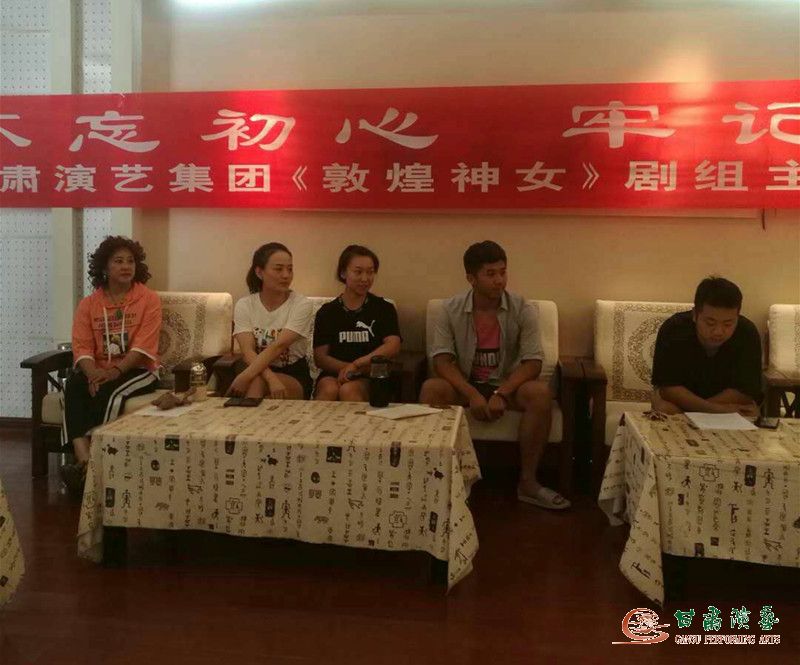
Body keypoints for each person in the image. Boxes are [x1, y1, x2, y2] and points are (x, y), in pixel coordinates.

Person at [419, 241, 569, 510]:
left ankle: (528, 483)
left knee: (540, 393)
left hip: (507, 384)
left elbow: (533, 362)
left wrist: (502, 392)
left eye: (503, 272)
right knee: (432, 388)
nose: (499, 280)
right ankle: (439, 479)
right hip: (466, 384)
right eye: (490, 274)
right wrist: (472, 394)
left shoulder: (522, 308)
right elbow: (441, 361)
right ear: (471, 278)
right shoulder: (450, 309)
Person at [61, 236, 162, 493]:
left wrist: (114, 372)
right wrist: (93, 373)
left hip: (138, 370)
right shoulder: (89, 304)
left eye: (130, 261)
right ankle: (84, 461)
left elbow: (143, 346)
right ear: (104, 267)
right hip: (98, 369)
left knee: (111, 392)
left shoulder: (148, 299)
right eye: (118, 261)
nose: (126, 266)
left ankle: (92, 465)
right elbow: (82, 346)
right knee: (73, 386)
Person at [651, 276, 762, 416]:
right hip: (681, 403)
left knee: (750, 413)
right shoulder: (674, 329)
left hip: (725, 403)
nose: (718, 332)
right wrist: (714, 410)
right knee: (665, 409)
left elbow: (745, 391)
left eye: (728, 324)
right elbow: (668, 388)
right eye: (710, 323)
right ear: (695, 315)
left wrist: (703, 409)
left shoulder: (747, 332)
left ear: (737, 317)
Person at [313, 245, 401, 402]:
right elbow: (320, 357)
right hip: (334, 373)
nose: (365, 279)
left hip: (370, 374)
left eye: (370, 272)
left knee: (349, 390)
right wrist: (347, 369)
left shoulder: (383, 308)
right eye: (358, 272)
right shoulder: (327, 312)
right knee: (329, 390)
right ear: (343, 273)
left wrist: (357, 365)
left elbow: (393, 345)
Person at [227, 243, 313, 400]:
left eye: (290, 269)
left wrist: (245, 377)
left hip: (292, 373)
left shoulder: (301, 304)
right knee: (257, 382)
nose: (286, 275)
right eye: (279, 269)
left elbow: (279, 346)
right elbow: (247, 350)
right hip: (255, 371)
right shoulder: (245, 304)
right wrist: (270, 378)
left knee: (256, 383)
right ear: (259, 272)